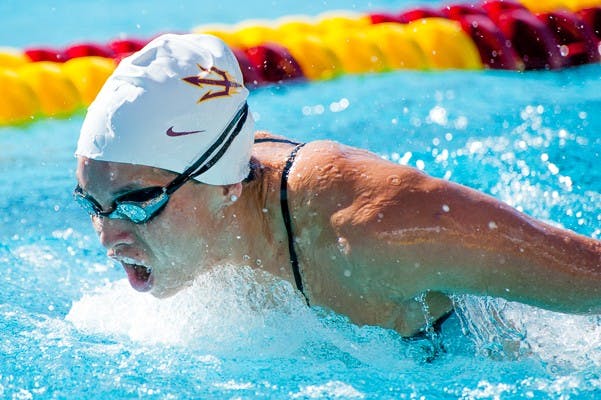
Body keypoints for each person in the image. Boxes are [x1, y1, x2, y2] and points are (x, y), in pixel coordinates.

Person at [74, 33, 601, 338]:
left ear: (226, 183)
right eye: (92, 205)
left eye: (137, 203)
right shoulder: (196, 215)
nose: (107, 236)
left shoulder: (376, 231)